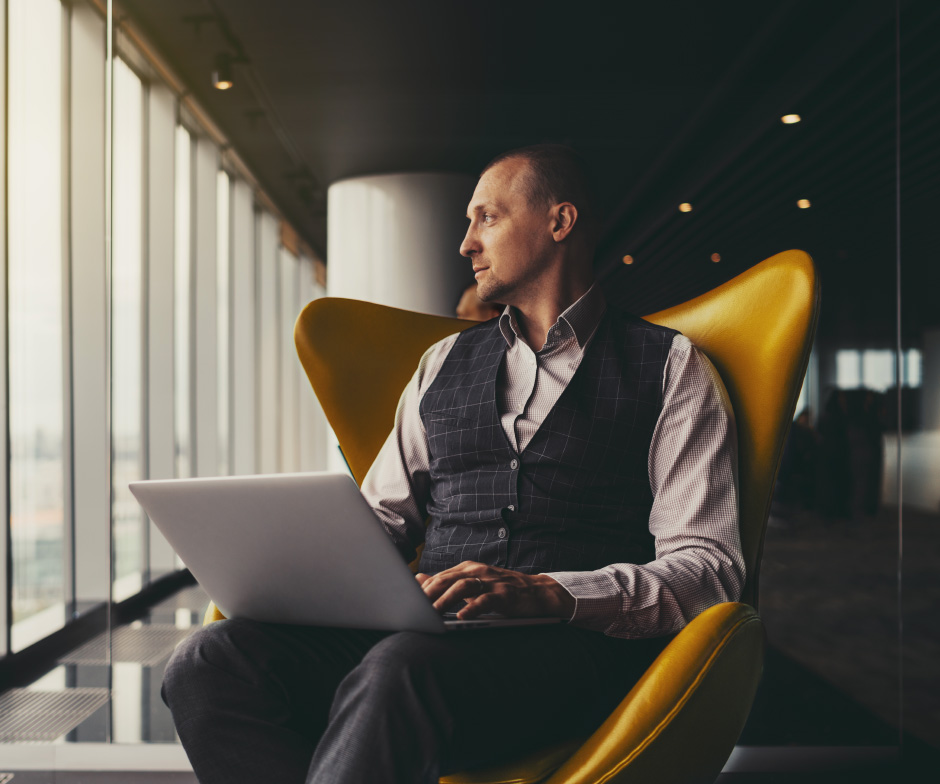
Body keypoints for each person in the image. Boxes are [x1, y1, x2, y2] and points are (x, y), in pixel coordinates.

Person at [162, 144, 744, 784]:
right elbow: (385, 519)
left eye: (486, 218)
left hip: (575, 654)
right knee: (210, 662)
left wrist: (551, 594)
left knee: (398, 672)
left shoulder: (670, 367)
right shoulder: (441, 364)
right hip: (430, 636)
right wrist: (288, 563)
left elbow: (710, 570)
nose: (466, 244)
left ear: (560, 222)